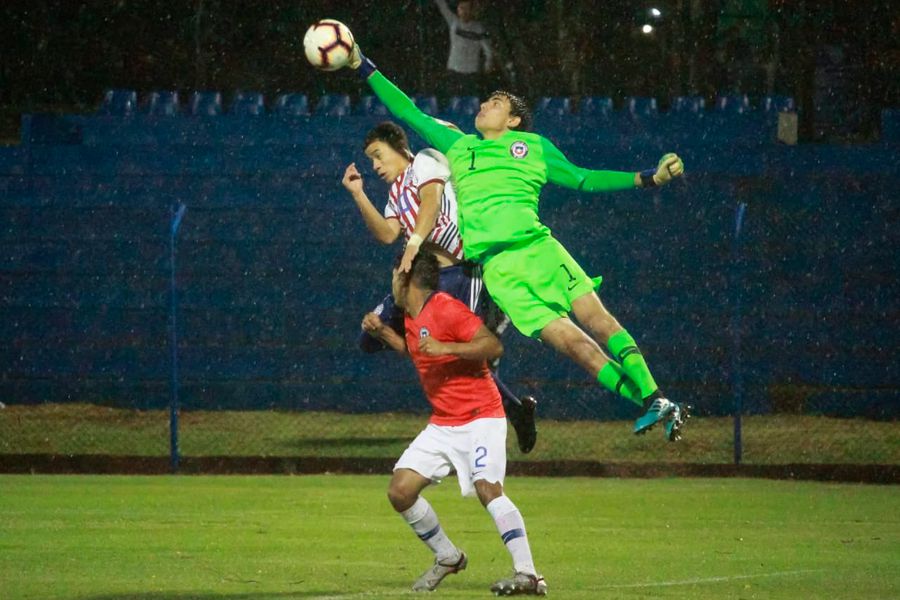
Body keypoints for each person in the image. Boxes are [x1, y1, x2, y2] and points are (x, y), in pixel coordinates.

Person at [345, 45, 689, 441]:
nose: (485, 104)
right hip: (498, 272)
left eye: (496, 102)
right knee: (575, 347)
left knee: (597, 321)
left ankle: (656, 394)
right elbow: (407, 111)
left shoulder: (534, 148)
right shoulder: (461, 147)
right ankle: (652, 406)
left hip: (537, 250)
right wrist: (361, 65)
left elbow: (584, 178)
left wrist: (648, 177)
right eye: (486, 99)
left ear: (513, 120)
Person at [341, 121, 538, 453]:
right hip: (420, 279)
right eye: (371, 160)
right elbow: (388, 234)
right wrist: (358, 194)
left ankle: (511, 413)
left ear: (399, 148)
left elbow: (431, 202)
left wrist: (415, 242)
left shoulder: (426, 161)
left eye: (378, 155)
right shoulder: (394, 193)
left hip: (461, 274)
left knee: (468, 360)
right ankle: (512, 409)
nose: (374, 166)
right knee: (368, 339)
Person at [362, 251, 547, 595]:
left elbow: (493, 346)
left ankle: (528, 574)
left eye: (393, 276)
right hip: (444, 423)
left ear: (406, 278)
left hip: (481, 416)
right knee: (400, 491)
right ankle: (447, 556)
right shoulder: (412, 317)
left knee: (487, 489)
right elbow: (417, 351)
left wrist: (446, 346)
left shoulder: (445, 307)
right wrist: (384, 333)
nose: (390, 284)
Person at [433, 0, 494, 97]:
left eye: (467, 9)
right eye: (461, 8)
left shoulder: (479, 28)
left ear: (471, 11)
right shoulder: (454, 22)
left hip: (471, 72)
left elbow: (488, 49)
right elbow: (442, 6)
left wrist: (488, 63)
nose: (464, 12)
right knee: (453, 100)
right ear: (458, 10)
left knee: (470, 99)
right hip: (454, 69)